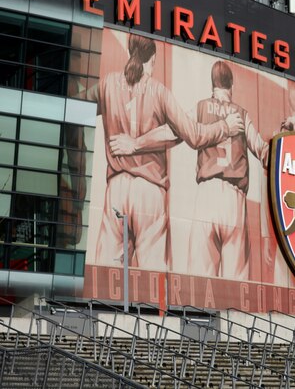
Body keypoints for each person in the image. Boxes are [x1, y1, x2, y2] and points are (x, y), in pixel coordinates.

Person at [92, 34, 244, 270]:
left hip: (116, 189)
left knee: (105, 278)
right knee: (153, 287)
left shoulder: (107, 84)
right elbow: (194, 135)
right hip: (149, 192)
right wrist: (225, 127)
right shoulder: (159, 92)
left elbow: (76, 103)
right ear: (152, 59)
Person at [187, 60, 269, 280]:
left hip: (206, 194)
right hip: (234, 199)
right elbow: (263, 151)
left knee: (200, 284)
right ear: (231, 85)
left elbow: (178, 130)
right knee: (236, 288)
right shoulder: (241, 114)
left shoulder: (200, 107)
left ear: (212, 84)